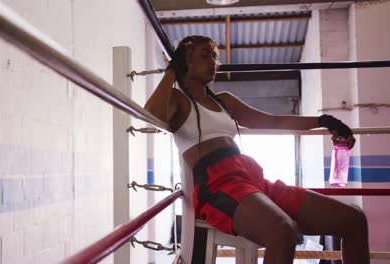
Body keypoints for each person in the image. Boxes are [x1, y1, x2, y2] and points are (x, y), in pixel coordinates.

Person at [144, 35, 369, 264]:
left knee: (354, 220)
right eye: (205, 55)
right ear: (187, 61)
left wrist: (326, 121)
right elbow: (150, 116)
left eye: (214, 56)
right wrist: (171, 70)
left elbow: (274, 121)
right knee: (282, 230)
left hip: (250, 178)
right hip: (217, 185)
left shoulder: (224, 101)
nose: (212, 61)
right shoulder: (178, 100)